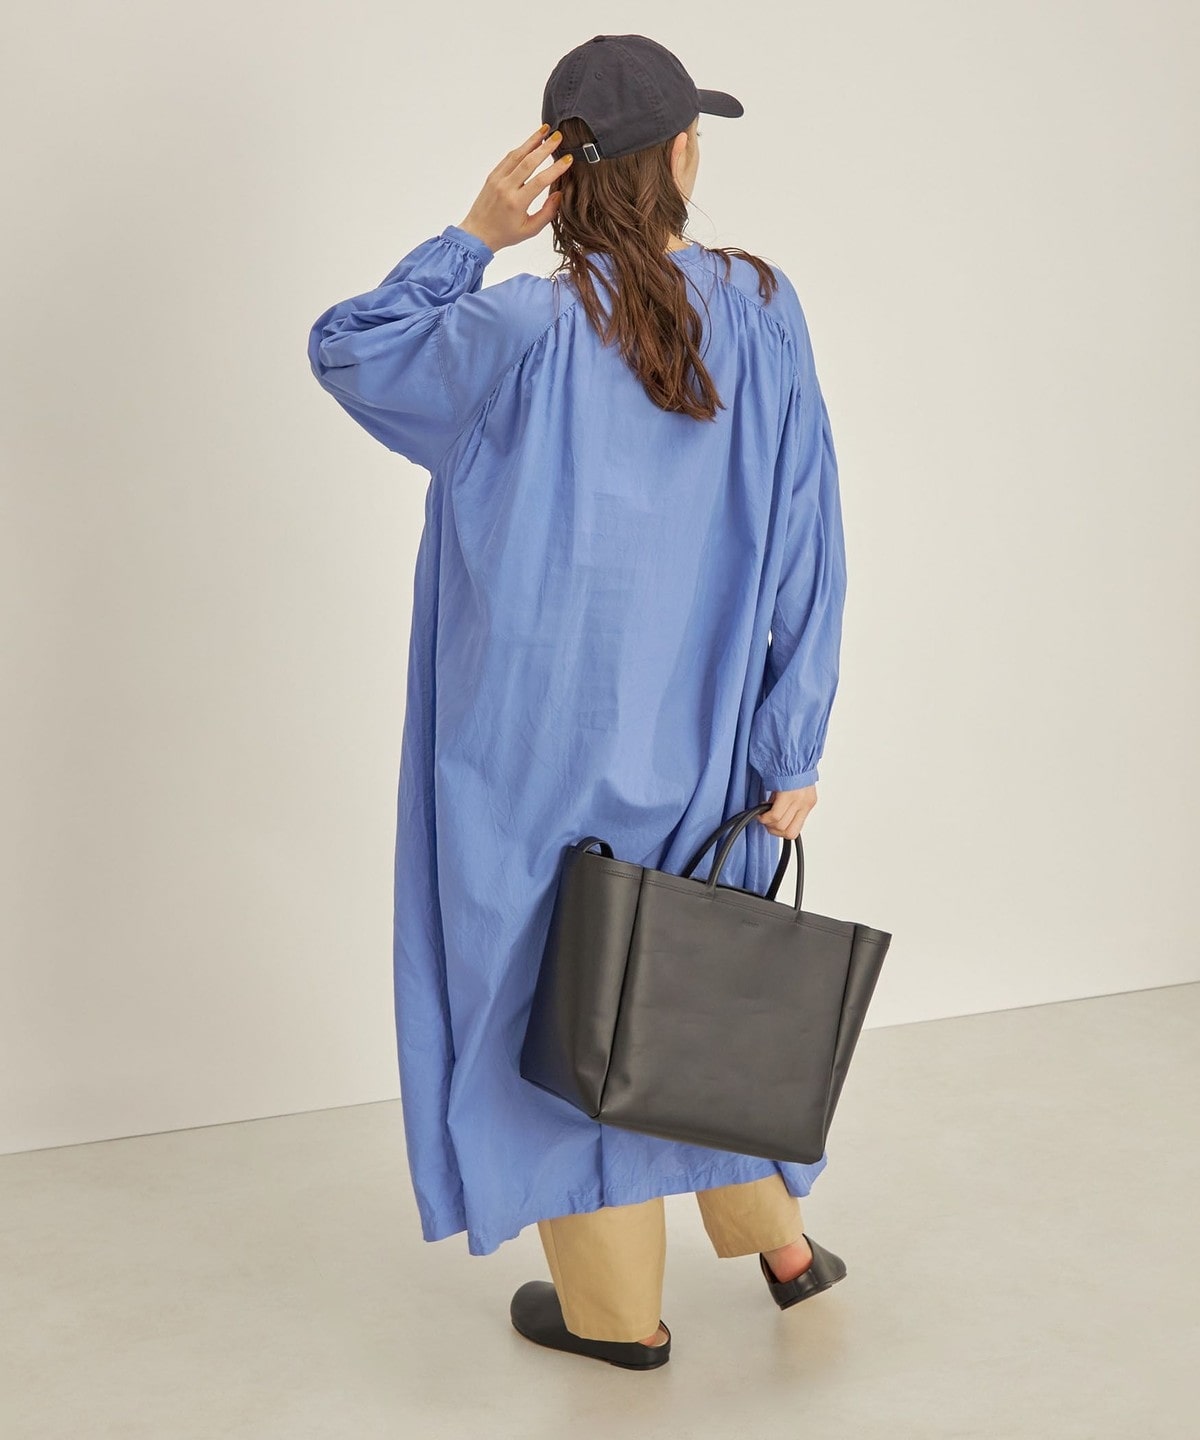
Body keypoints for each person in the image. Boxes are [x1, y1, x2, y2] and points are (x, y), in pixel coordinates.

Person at [307, 33, 849, 1371]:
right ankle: (780, 1244)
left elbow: (349, 350)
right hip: (705, 738)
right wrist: (791, 742)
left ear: (557, 171)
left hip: (527, 756)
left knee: (554, 1008)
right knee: (695, 972)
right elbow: (809, 534)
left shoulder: (516, 328)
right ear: (680, 158)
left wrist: (470, 237)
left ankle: (620, 1318)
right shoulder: (761, 304)